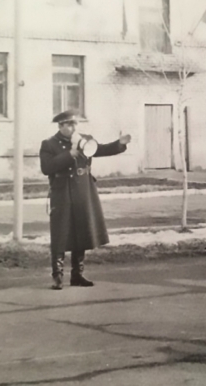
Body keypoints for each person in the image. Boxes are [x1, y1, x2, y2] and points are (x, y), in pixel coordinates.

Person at [40, 110, 131, 290]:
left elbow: (101, 149)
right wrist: (70, 154)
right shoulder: (49, 144)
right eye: (69, 124)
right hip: (62, 191)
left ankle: (77, 274)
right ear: (60, 126)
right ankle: (57, 276)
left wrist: (119, 144)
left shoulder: (84, 139)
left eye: (75, 124)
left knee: (81, 231)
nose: (73, 127)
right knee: (60, 233)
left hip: (83, 190)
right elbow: (47, 167)